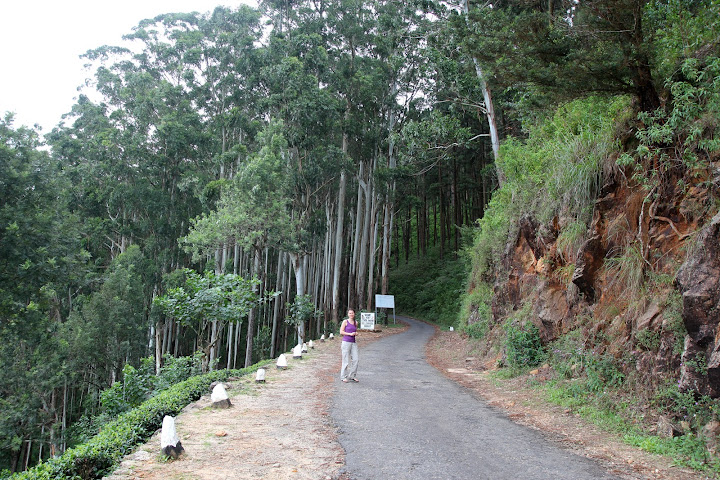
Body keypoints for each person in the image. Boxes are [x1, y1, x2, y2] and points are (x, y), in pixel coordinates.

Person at [339, 308, 359, 383]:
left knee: (356, 359)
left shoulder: (355, 322)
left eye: (352, 313)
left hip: (353, 342)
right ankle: (343, 376)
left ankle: (352, 375)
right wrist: (349, 334)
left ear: (354, 314)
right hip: (346, 342)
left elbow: (355, 331)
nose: (351, 314)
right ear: (348, 314)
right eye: (350, 313)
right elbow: (341, 332)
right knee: (345, 360)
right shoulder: (345, 321)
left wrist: (355, 333)